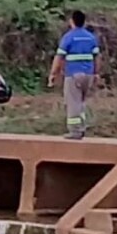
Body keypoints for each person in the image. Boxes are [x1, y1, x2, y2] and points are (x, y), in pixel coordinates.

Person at [48, 9, 100, 140]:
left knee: (73, 102)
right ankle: (82, 128)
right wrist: (96, 73)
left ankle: (74, 131)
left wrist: (53, 73)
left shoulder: (69, 37)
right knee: (81, 102)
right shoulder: (90, 37)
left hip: (73, 74)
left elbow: (59, 57)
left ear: (72, 21)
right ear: (84, 22)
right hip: (88, 75)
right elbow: (97, 57)